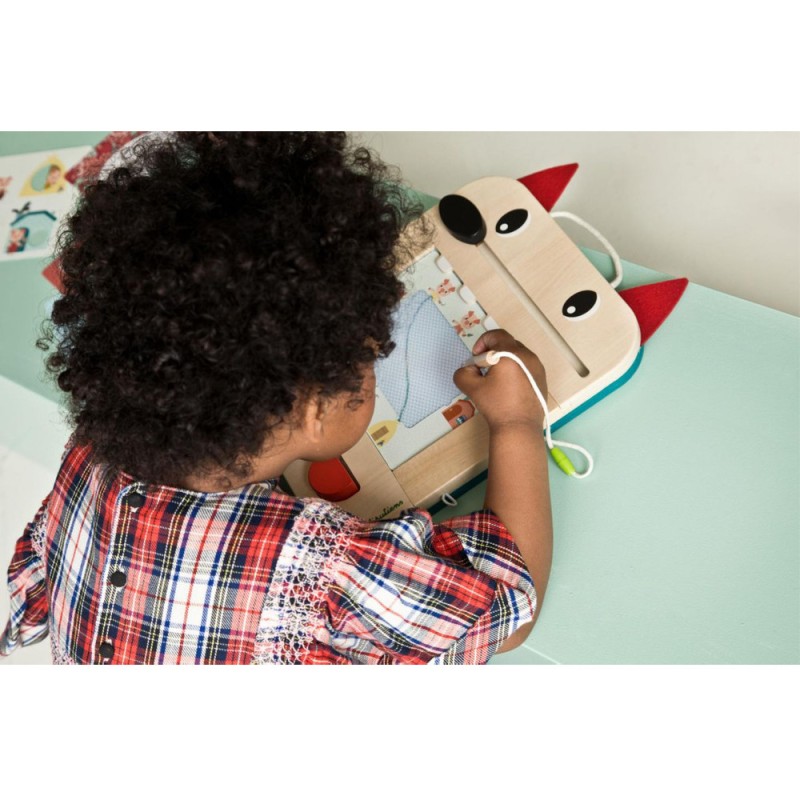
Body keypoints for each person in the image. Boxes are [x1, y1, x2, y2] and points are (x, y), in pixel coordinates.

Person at [0, 132, 552, 665]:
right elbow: (506, 609)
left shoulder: (92, 452)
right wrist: (517, 423)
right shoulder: (322, 573)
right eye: (373, 351)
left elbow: (39, 584)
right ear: (315, 410)